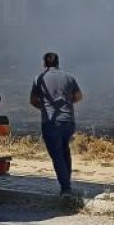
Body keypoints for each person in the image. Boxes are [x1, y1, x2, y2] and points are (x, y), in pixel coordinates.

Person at [29, 52, 83, 196]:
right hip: (68, 121)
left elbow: (33, 100)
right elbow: (78, 96)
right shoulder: (69, 77)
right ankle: (67, 182)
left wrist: (44, 108)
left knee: (57, 155)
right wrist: (67, 104)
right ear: (58, 62)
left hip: (51, 122)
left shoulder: (38, 79)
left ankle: (65, 188)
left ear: (44, 64)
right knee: (65, 151)